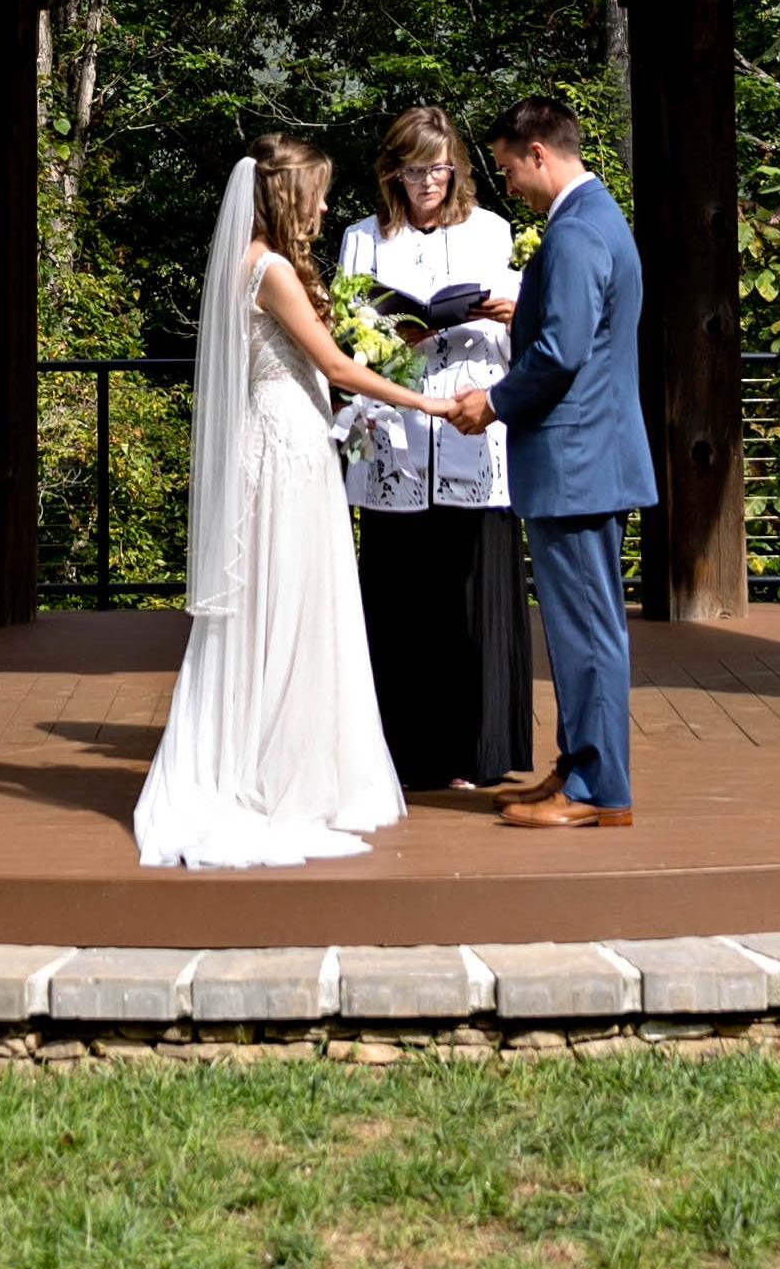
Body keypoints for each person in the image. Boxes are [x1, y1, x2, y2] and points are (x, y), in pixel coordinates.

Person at [130, 135, 448, 866]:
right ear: (286, 196)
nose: (328, 205)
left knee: (287, 607)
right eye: (319, 192)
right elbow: (332, 364)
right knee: (289, 607)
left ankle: (283, 764)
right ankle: (276, 778)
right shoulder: (269, 267)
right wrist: (424, 404)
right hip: (284, 451)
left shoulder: (255, 263)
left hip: (289, 443)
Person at [453, 94, 649, 831]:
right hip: (589, 453)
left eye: (509, 170)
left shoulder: (571, 235)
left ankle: (599, 790)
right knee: (581, 627)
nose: (511, 185)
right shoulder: (595, 220)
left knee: (587, 630)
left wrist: (494, 403)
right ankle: (575, 767)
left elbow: (562, 353)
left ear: (538, 152)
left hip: (575, 458)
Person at [336, 104, 530, 794]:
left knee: (471, 597)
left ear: (458, 171)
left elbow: (523, 334)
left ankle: (475, 751)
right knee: (402, 599)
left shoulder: (492, 231)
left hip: (472, 429)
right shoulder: (363, 240)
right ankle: (401, 752)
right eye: (416, 170)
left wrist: (511, 312)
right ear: (395, 171)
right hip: (397, 436)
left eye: (440, 170)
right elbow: (348, 338)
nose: (429, 184)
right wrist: (401, 329)